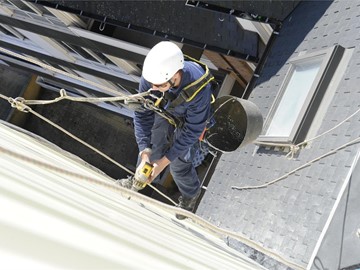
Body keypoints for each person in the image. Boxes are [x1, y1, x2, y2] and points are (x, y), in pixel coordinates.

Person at [119, 41, 215, 219]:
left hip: (188, 122)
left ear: (175, 76)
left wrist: (164, 162)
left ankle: (190, 194)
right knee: (152, 149)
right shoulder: (152, 77)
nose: (153, 89)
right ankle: (138, 181)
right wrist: (144, 154)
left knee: (178, 163)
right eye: (152, 85)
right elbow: (142, 115)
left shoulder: (198, 87)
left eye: (160, 85)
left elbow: (192, 130)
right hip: (167, 112)